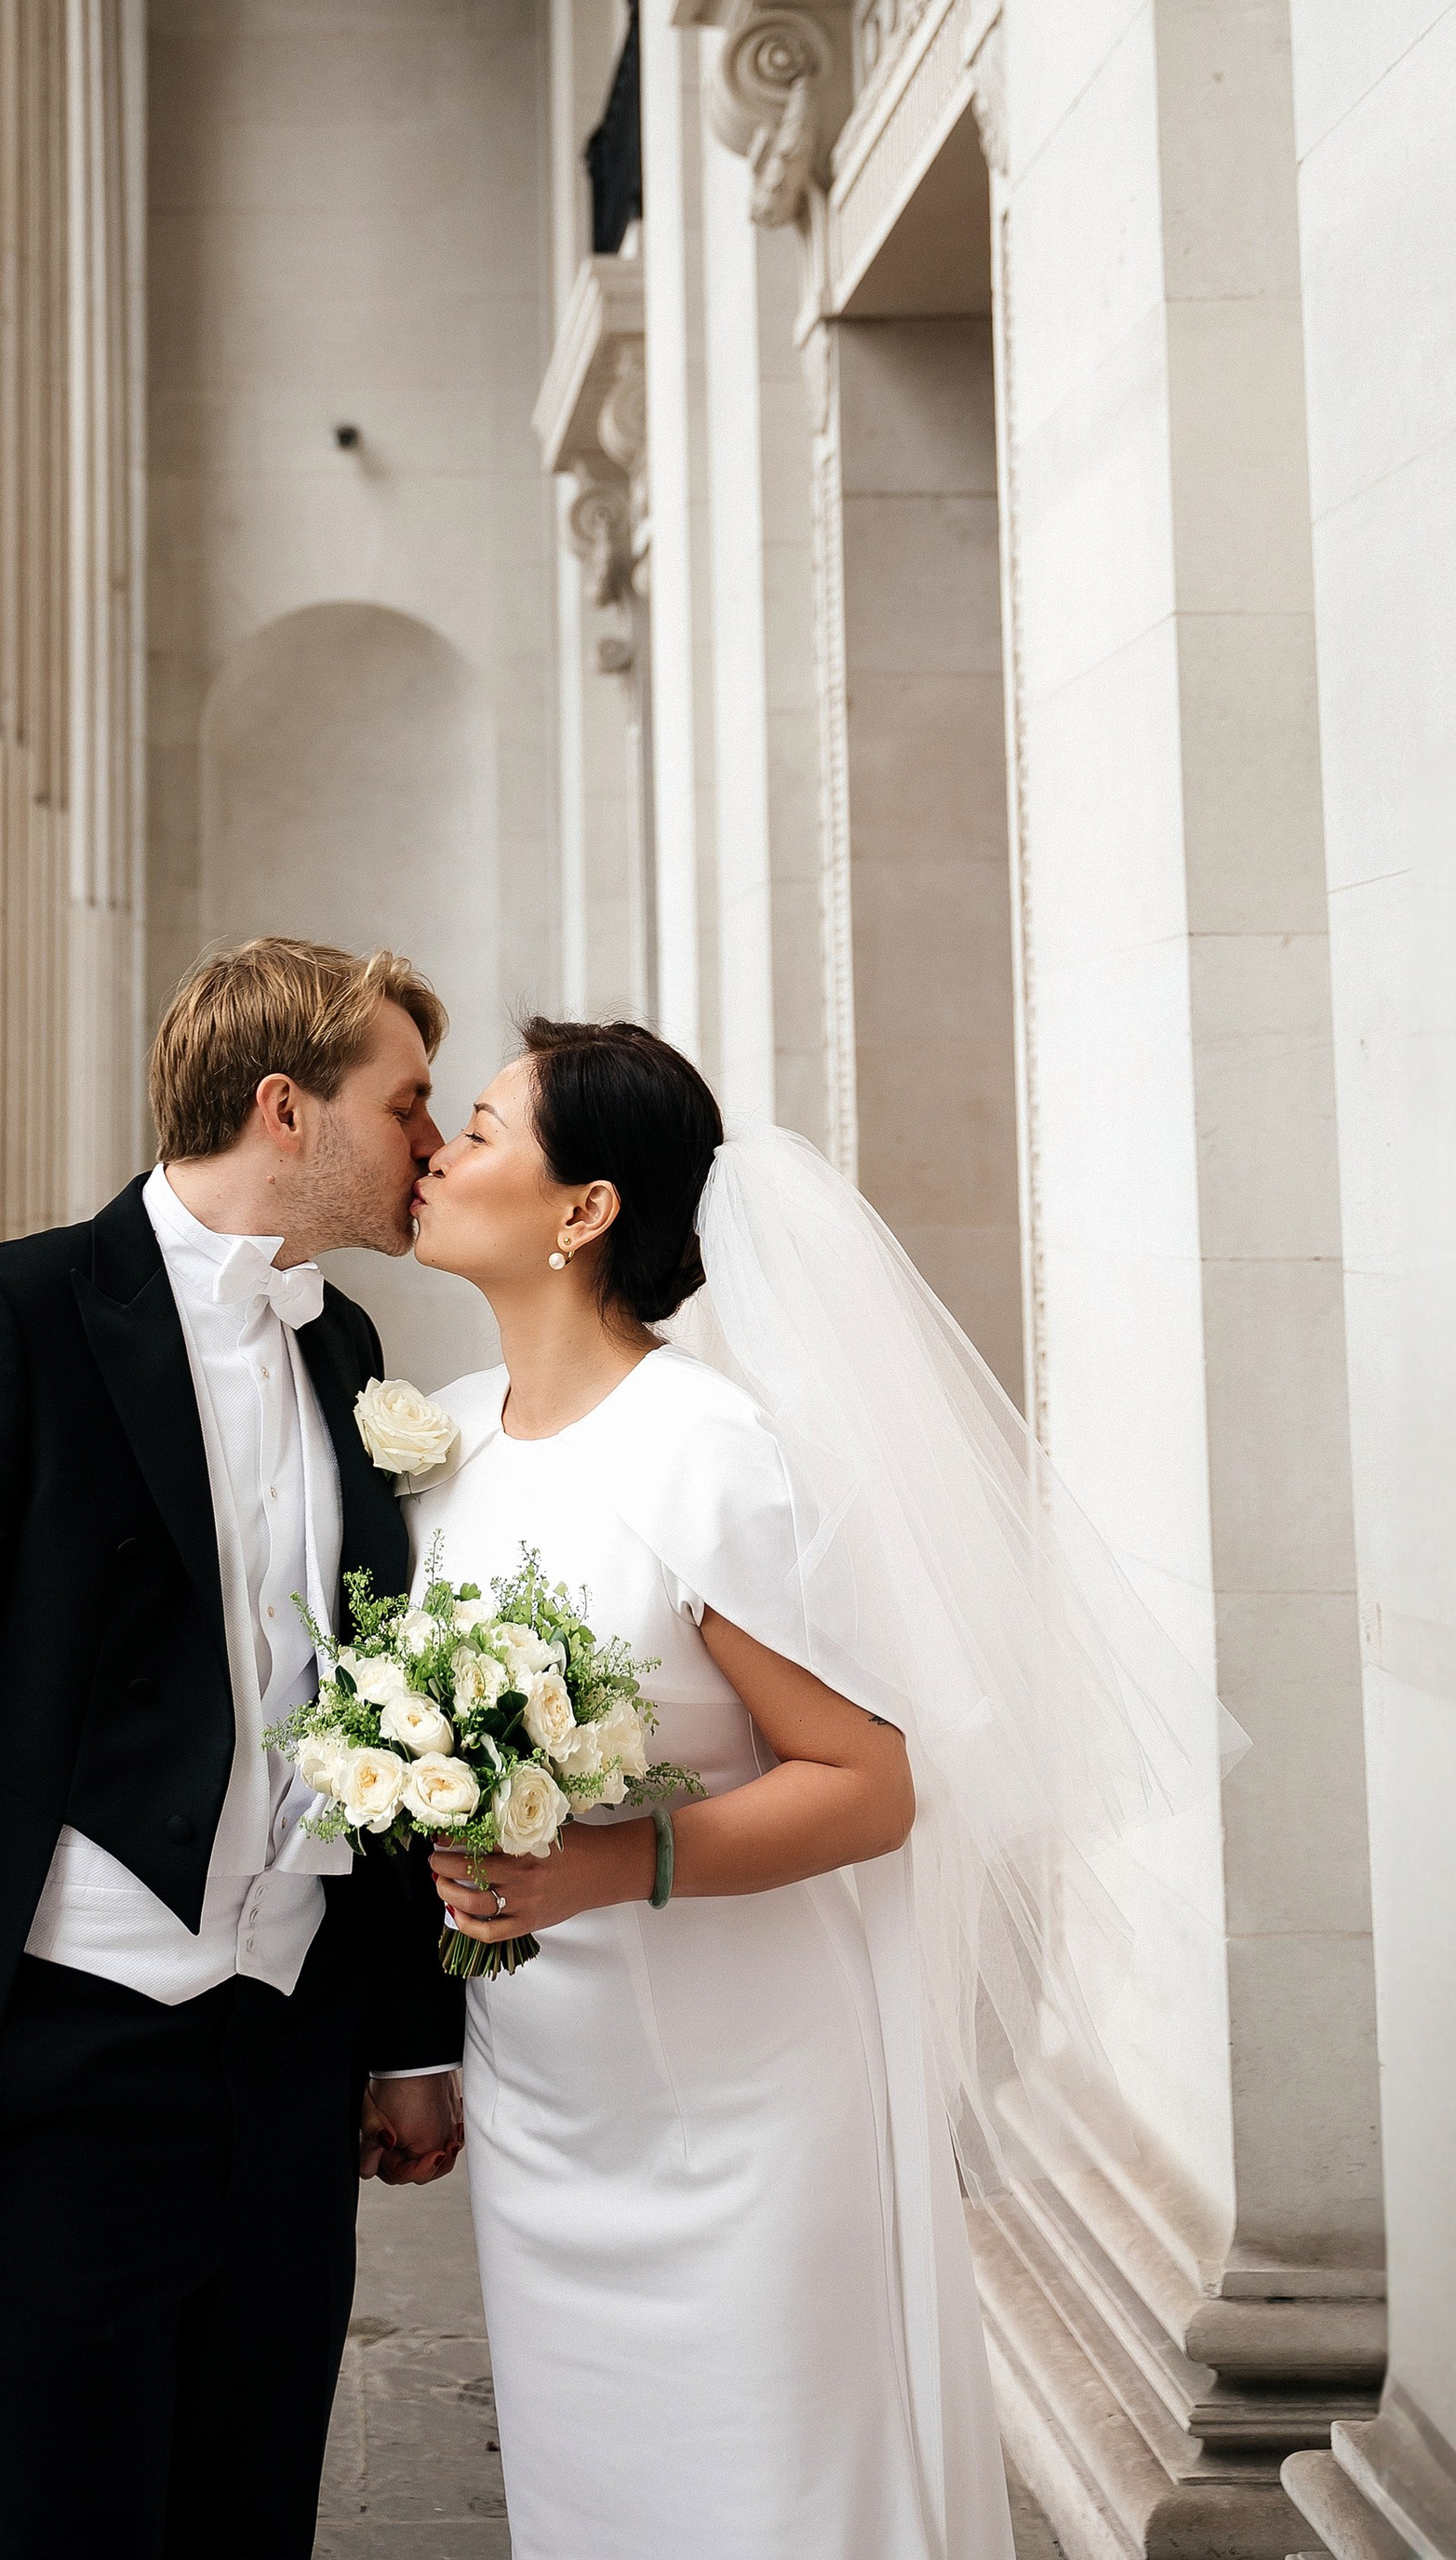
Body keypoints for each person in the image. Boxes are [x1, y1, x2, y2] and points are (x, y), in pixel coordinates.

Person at [403, 1017, 1241, 2560]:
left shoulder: (703, 1451)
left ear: (584, 1211)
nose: (435, 1156)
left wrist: (604, 1866)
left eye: (477, 1128)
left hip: (741, 2110)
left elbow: (867, 1786)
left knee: (764, 2493)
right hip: (551, 2096)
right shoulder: (442, 1439)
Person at [0, 937, 471, 2560]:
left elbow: (367, 1702)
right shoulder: (1, 1320)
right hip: (47, 2065)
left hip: (284, 2065)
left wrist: (407, 2035)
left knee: (243, 2508)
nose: (435, 1142)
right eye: (410, 1102)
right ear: (287, 1109)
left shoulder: (344, 1347)